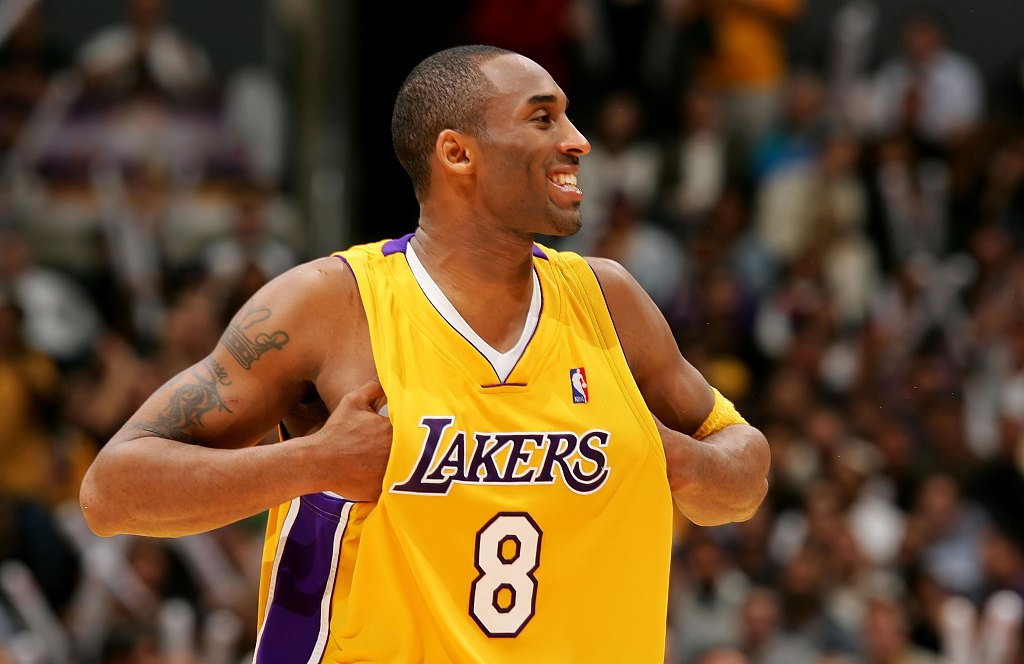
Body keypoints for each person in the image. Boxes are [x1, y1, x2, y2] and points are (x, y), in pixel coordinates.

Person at [80, 44, 770, 661]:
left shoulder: (609, 301)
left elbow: (744, 471)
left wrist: (675, 459)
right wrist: (312, 463)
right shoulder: (332, 305)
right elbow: (111, 492)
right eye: (543, 118)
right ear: (457, 153)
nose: (578, 140)